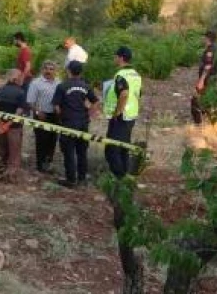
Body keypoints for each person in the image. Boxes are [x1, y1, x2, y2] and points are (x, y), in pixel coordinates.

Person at [53, 60, 99, 188]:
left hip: (68, 123)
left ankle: (71, 179)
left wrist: (61, 117)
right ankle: (82, 178)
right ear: (80, 72)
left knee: (68, 152)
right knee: (82, 152)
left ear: (68, 71)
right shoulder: (86, 86)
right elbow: (95, 101)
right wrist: (89, 113)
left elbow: (56, 106)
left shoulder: (62, 86)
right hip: (83, 123)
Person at [103, 46, 142, 178]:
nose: (114, 58)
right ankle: (125, 174)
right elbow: (137, 94)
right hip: (131, 115)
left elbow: (124, 94)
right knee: (123, 148)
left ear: (120, 58)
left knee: (111, 149)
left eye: (115, 56)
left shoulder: (121, 75)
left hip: (121, 116)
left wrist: (116, 113)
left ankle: (120, 178)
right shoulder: (136, 74)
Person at [0, 69, 28, 183]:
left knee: (2, 151)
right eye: (20, 77)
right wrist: (8, 124)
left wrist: (1, 124)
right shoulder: (21, 92)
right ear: (15, 78)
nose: (22, 79)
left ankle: (1, 172)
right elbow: (19, 111)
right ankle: (11, 176)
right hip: (14, 128)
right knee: (14, 153)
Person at [26, 61, 60, 173]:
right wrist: (37, 112)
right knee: (41, 140)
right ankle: (40, 165)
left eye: (51, 69)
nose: (48, 71)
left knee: (52, 140)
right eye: (46, 69)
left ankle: (48, 162)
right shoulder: (36, 83)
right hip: (41, 115)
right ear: (42, 70)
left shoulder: (59, 83)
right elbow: (30, 101)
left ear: (55, 71)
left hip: (55, 116)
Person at [191, 30, 217, 125]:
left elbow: (208, 66)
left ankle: (199, 124)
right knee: (207, 100)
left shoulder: (210, 50)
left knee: (196, 100)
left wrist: (201, 80)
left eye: (204, 37)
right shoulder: (215, 48)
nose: (202, 39)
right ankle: (208, 123)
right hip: (212, 78)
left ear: (208, 38)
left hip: (207, 78)